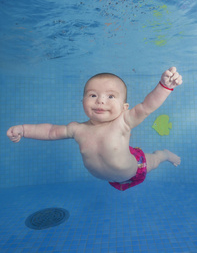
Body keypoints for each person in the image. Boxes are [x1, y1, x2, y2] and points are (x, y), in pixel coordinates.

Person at [7, 67, 182, 191]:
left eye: (110, 96)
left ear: (124, 107)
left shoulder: (123, 122)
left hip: (136, 167)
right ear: (82, 101)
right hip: (110, 178)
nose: (100, 101)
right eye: (93, 95)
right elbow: (50, 131)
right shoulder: (77, 129)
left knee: (154, 160)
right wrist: (23, 129)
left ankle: (164, 154)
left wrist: (165, 86)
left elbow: (146, 107)